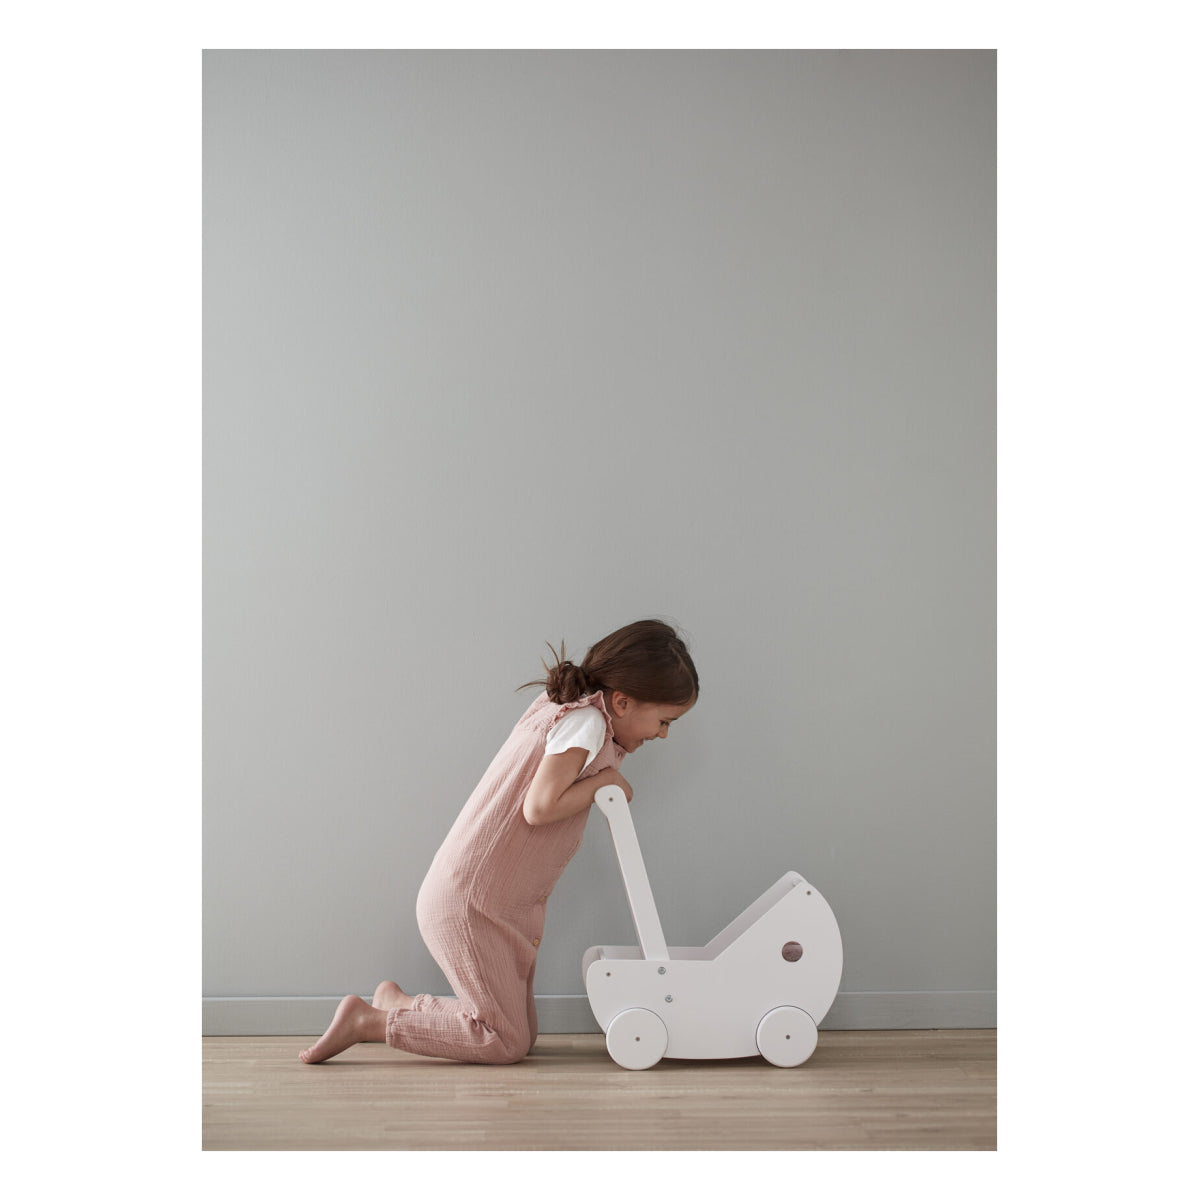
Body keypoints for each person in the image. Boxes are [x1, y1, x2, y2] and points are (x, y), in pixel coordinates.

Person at [299, 618, 698, 1065]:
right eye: (664, 721)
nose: (663, 734)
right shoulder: (586, 723)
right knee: (504, 1041)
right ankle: (367, 1022)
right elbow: (539, 807)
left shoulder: (570, 711)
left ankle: (398, 1005)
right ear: (622, 702)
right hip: (474, 904)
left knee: (519, 1034)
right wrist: (605, 781)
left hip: (495, 904)